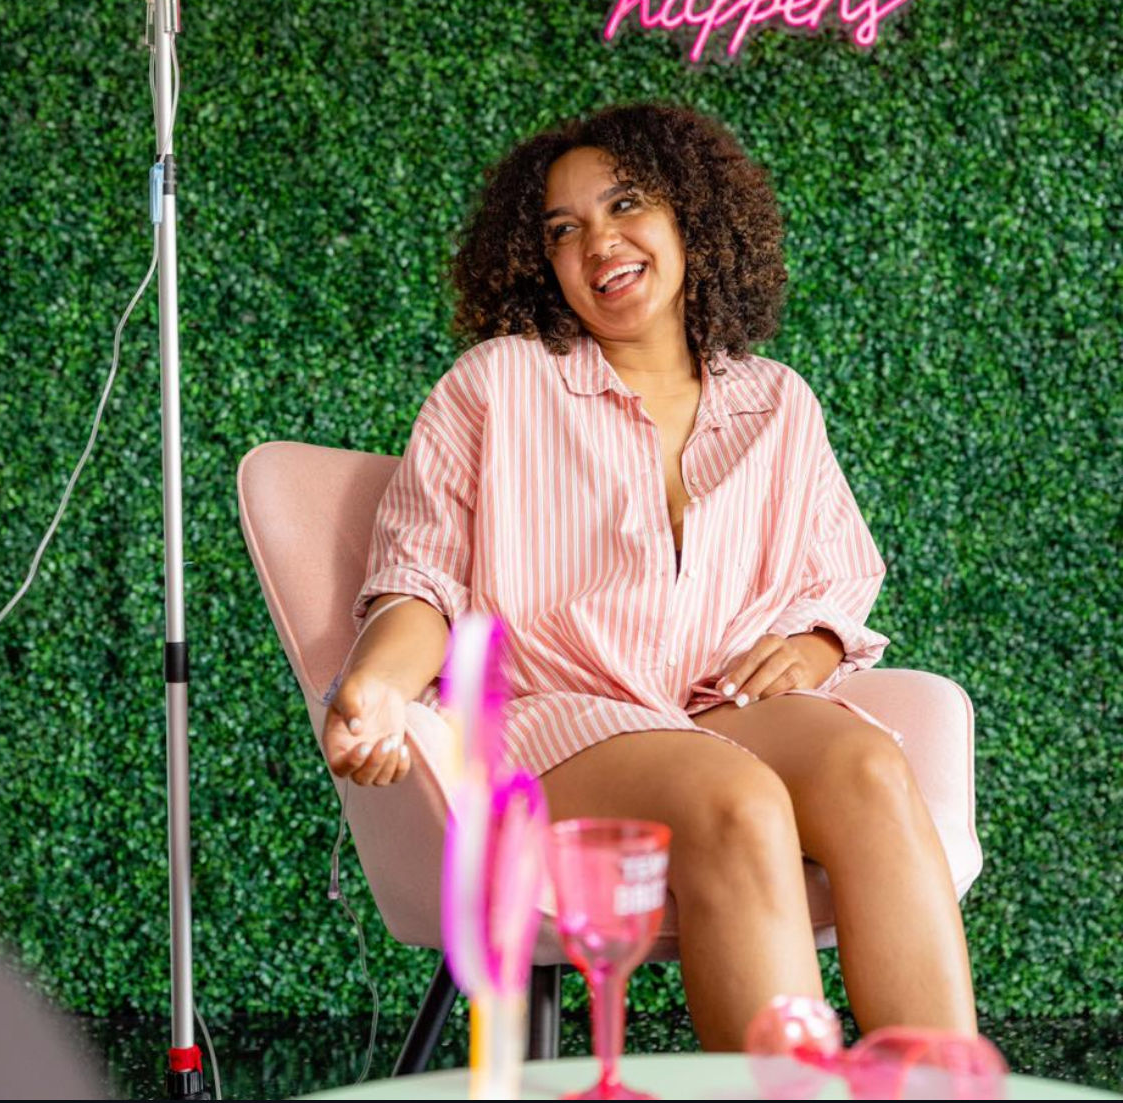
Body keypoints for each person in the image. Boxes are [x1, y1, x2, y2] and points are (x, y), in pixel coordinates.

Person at [322, 100, 977, 1049]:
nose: (598, 242)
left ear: (690, 218)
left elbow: (837, 574)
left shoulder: (777, 403)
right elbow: (420, 582)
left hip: (713, 702)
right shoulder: (497, 385)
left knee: (870, 770)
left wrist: (810, 642)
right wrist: (376, 686)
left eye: (626, 204)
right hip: (556, 718)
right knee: (735, 797)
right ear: (541, 262)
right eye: (563, 229)